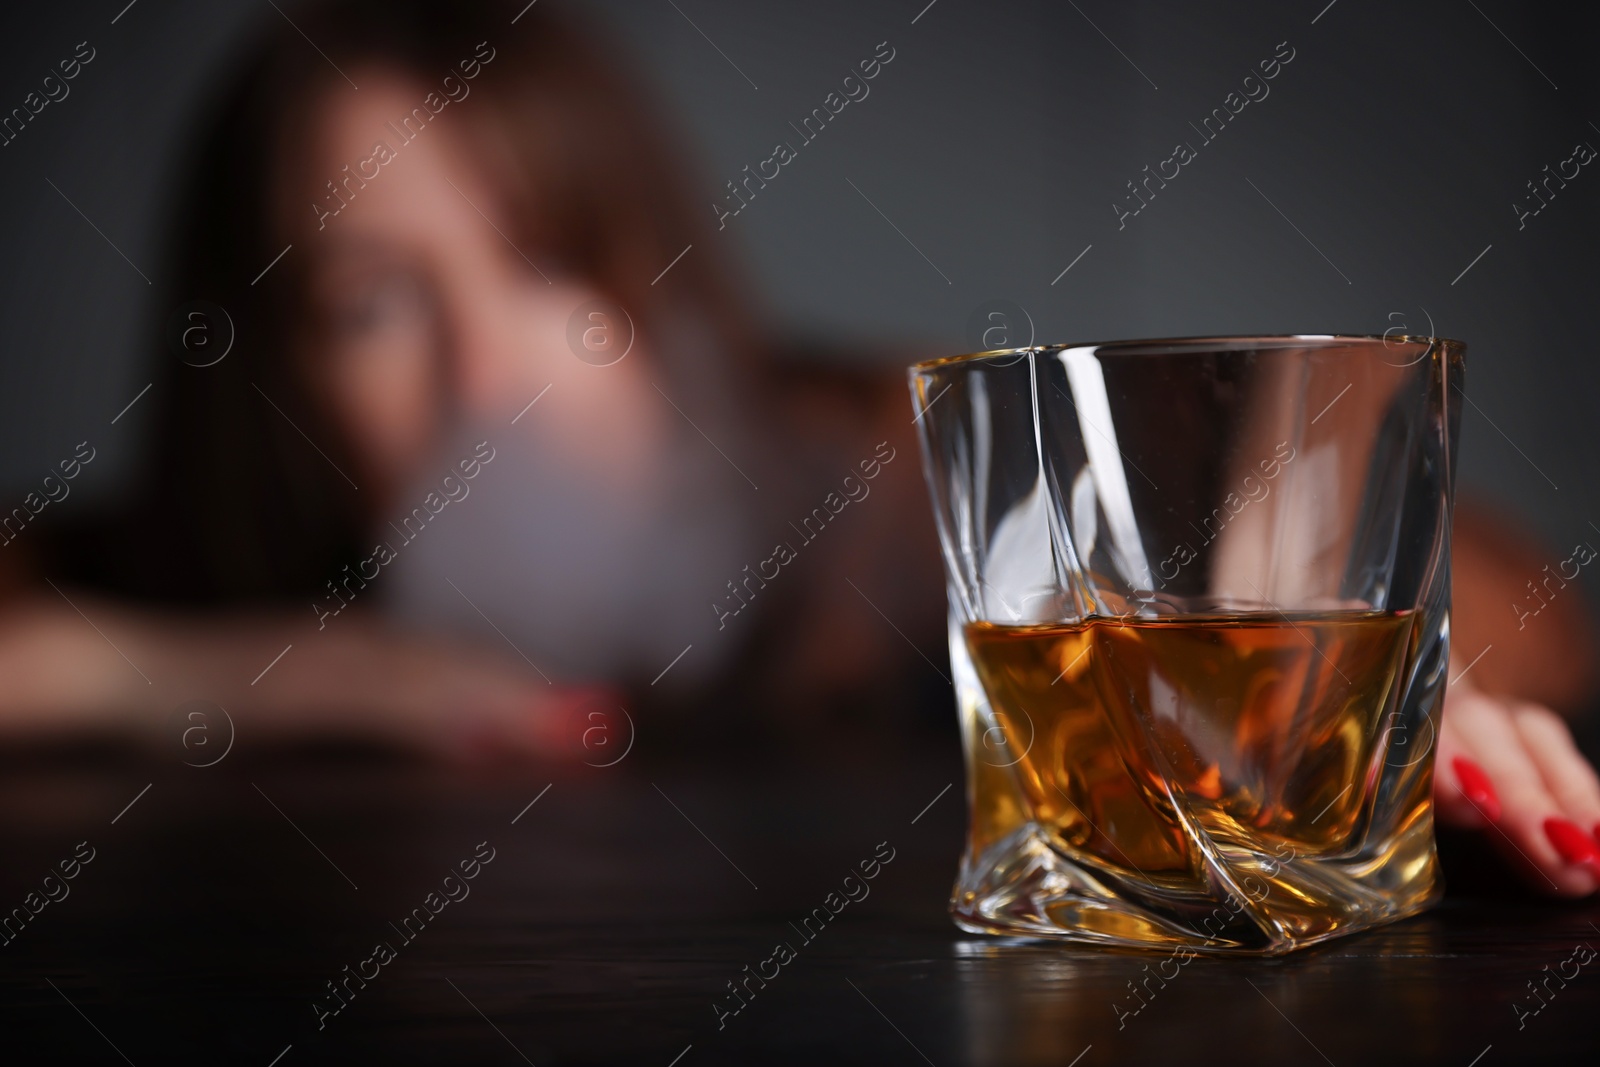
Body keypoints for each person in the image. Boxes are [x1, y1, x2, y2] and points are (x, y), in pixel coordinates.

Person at [0, 0, 1594, 896]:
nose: (492, 369)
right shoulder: (265, 562)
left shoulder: (858, 484)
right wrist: (237, 674)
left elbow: (1493, 576)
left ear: (646, 272)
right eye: (366, 307)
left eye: (547, 263)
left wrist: (1298, 641)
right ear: (257, 360)